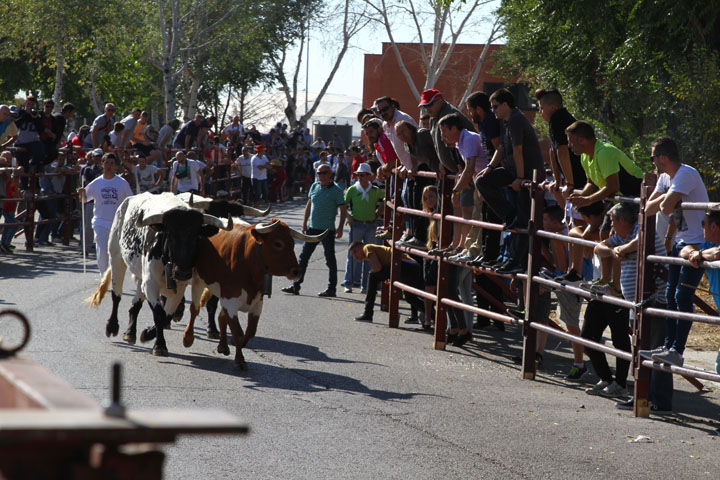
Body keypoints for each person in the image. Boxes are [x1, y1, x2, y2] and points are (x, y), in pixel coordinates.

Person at [584, 202, 668, 399]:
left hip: (653, 300)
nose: (611, 225)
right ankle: (639, 393)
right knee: (640, 347)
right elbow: (599, 248)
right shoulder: (621, 235)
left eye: (613, 220)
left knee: (648, 349)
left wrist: (621, 249)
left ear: (622, 220)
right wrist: (616, 250)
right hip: (637, 302)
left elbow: (642, 241)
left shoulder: (640, 229)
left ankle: (647, 397)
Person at [643, 136, 708, 367]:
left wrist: (665, 199)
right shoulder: (664, 177)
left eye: (653, 158)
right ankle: (669, 346)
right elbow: (649, 209)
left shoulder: (685, 174)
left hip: (698, 243)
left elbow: (664, 207)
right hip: (680, 242)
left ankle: (677, 351)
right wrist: (667, 197)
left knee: (683, 295)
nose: (652, 163)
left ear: (662, 157)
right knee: (671, 294)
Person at [559, 120, 644, 284]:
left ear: (582, 141)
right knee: (604, 234)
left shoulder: (605, 152)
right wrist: (581, 197)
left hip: (633, 197)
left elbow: (612, 186)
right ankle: (605, 279)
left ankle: (617, 285)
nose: (569, 146)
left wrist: (587, 200)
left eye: (571, 141)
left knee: (616, 236)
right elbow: (592, 182)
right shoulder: (585, 156)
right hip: (619, 199)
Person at [475, 88, 544, 274]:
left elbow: (518, 150)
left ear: (506, 105)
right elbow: (502, 148)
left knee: (523, 221)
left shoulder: (515, 120)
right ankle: (507, 215)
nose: (493, 111)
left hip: (527, 174)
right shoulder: (504, 121)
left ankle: (515, 261)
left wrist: (520, 179)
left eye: (495, 107)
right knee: (482, 181)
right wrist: (489, 168)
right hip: (512, 171)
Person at [281, 163, 347, 297]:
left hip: (327, 230)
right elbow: (309, 205)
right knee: (303, 257)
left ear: (330, 174)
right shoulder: (314, 186)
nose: (321, 176)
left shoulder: (336, 190)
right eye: (319, 173)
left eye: (324, 173)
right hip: (313, 228)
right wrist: (304, 223)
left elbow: (343, 210)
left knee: (330, 260)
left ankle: (331, 289)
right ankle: (296, 286)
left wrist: (340, 227)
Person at [78, 152, 133, 274]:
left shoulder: (122, 183)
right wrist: (81, 193)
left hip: (117, 222)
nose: (108, 166)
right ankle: (104, 276)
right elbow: (84, 199)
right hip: (100, 221)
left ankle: (114, 276)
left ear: (115, 166)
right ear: (102, 164)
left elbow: (130, 201)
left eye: (111, 163)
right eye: (106, 163)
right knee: (102, 250)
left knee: (115, 252)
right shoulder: (97, 182)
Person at [465, 91, 504, 267]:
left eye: (470, 110)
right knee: (487, 214)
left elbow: (498, 148)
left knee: (493, 215)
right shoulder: (482, 124)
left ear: (478, 109)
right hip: (489, 176)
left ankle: (491, 254)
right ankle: (486, 252)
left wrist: (496, 172)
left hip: (496, 175)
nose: (469, 114)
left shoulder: (489, 121)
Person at [681, 210, 720, 376]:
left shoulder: (709, 248)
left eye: (703, 224)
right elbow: (683, 249)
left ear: (713, 226)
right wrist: (692, 253)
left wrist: (699, 255)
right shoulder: (708, 244)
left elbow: (718, 253)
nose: (700, 228)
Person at [350, 240, 425, 324]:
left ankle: (368, 313)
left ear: (362, 246)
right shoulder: (371, 252)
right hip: (412, 266)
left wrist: (374, 272)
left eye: (355, 252)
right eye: (352, 254)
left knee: (372, 276)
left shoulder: (367, 247)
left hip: (406, 264)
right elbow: (382, 266)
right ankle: (431, 315)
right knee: (410, 297)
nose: (355, 256)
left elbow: (377, 267)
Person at [342, 163, 384, 293]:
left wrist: (378, 213)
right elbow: (342, 204)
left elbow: (387, 199)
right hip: (357, 224)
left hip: (371, 224)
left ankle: (365, 285)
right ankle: (349, 283)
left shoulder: (375, 190)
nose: (360, 177)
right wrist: (348, 217)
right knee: (353, 254)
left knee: (369, 255)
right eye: (358, 175)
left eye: (363, 175)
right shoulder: (352, 189)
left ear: (369, 176)